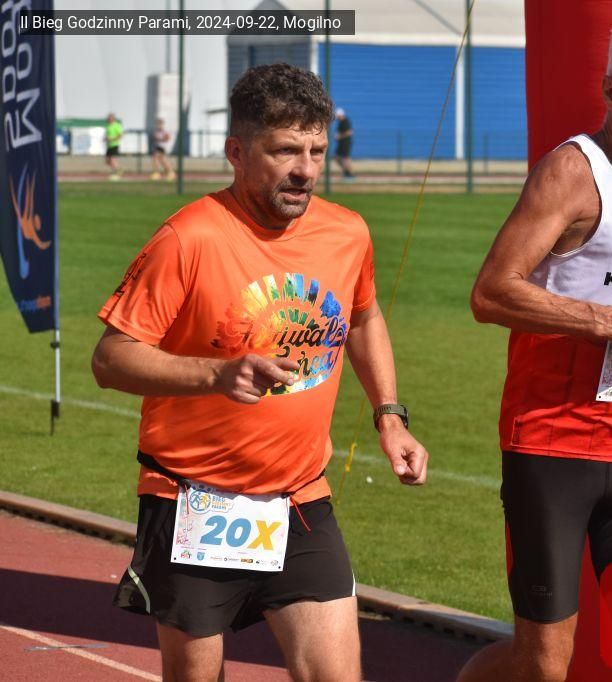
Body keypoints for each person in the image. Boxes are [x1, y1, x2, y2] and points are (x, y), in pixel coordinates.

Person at [91, 63, 428, 681]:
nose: (305, 169)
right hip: (193, 499)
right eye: (284, 151)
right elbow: (110, 358)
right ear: (237, 153)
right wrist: (216, 376)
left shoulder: (347, 232)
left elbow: (362, 317)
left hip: (299, 498)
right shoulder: (188, 237)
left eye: (316, 151)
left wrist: (389, 415)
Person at [459, 9, 612, 681]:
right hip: (555, 449)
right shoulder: (571, 174)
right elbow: (491, 294)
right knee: (544, 665)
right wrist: (606, 322)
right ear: (611, 91)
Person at [334, 107, 356, 180]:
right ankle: (346, 171)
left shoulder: (346, 121)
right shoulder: (340, 122)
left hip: (346, 142)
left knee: (346, 158)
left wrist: (340, 136)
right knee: (336, 157)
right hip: (341, 143)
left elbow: (349, 132)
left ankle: (350, 174)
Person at [105, 112, 123, 180]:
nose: (108, 119)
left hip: (115, 145)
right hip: (109, 146)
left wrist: (112, 139)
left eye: (109, 118)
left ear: (113, 118)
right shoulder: (108, 126)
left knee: (112, 160)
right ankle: (117, 170)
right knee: (107, 161)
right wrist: (106, 139)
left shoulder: (117, 125)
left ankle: (117, 172)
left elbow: (120, 135)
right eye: (108, 118)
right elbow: (108, 135)